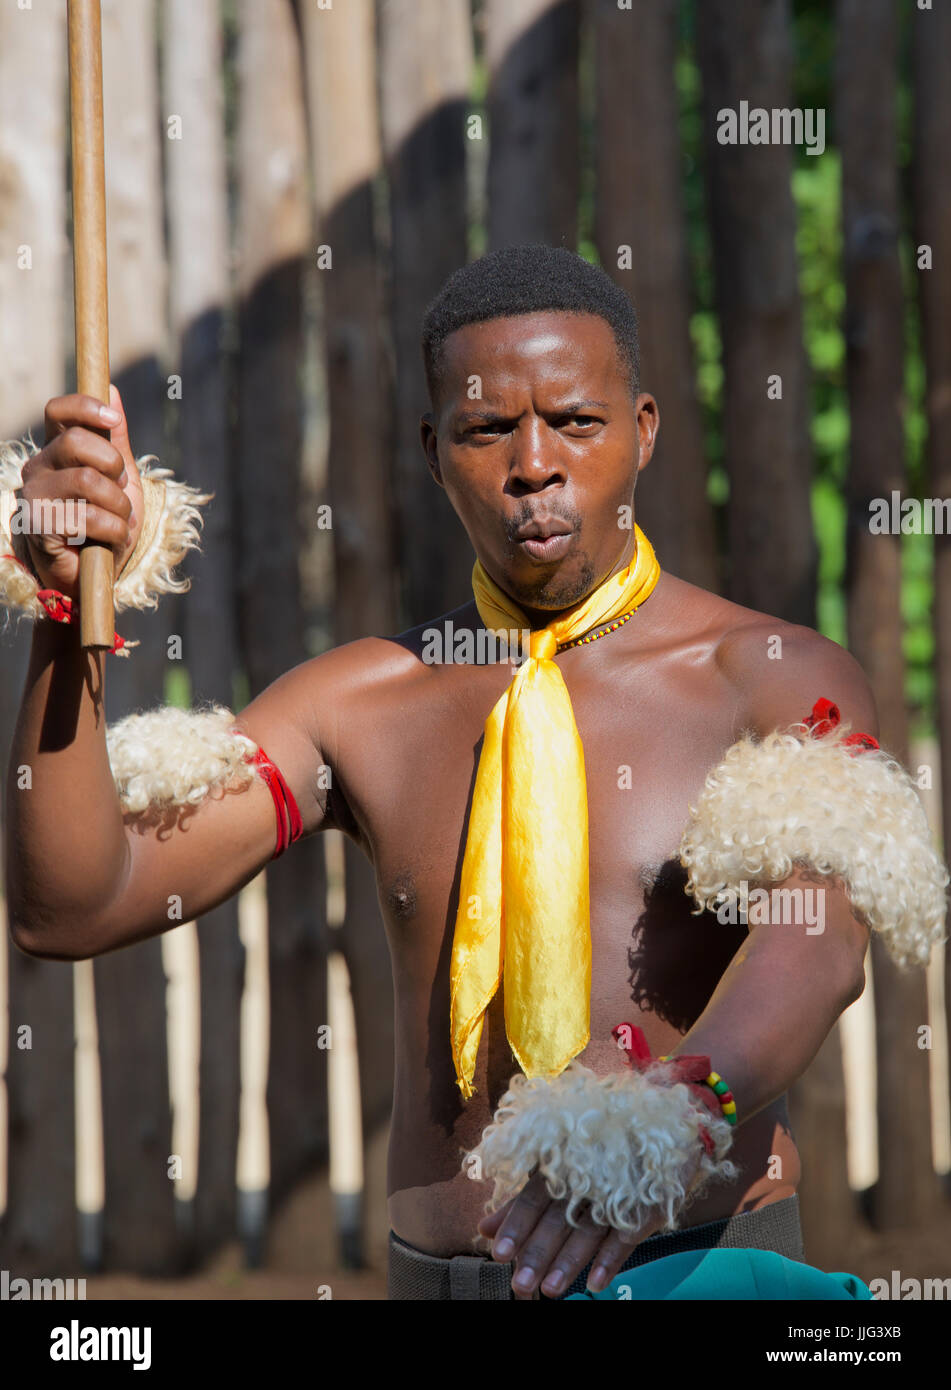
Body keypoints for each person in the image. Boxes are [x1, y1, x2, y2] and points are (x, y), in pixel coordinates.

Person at [3, 245, 946, 1301]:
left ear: (641, 431)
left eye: (575, 423)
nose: (534, 462)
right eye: (489, 428)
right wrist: (57, 602)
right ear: (433, 448)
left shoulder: (768, 678)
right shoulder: (360, 702)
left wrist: (660, 1115)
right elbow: (76, 904)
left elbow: (820, 944)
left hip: (702, 1278)